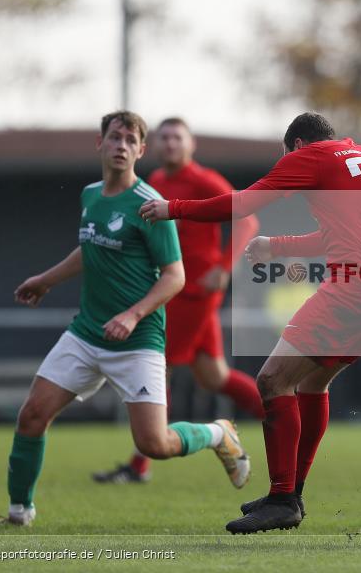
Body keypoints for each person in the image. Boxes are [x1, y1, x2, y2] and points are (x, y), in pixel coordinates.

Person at [139, 112, 361, 534]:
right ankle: (290, 493)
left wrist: (173, 208)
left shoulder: (310, 157)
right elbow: (349, 234)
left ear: (296, 146)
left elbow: (242, 203)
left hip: (354, 290)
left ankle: (283, 497)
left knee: (271, 380)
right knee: (311, 384)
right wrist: (279, 246)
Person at [7, 111, 248, 526]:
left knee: (155, 443)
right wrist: (46, 280)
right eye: (114, 137)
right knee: (32, 415)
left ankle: (216, 433)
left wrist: (134, 315)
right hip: (87, 333)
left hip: (138, 338)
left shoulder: (149, 205)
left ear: (139, 150)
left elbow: (175, 275)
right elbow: (92, 247)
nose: (120, 145)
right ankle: (19, 511)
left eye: (129, 140)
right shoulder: (91, 195)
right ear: (99, 145)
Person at [93, 117, 263, 485]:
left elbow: (248, 219)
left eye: (176, 138)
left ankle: (139, 466)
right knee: (212, 375)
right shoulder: (156, 182)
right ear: (153, 146)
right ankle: (281, 414)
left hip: (195, 291)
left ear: (191, 145)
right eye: (164, 138)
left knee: (158, 365)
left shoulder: (204, 180)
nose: (169, 144)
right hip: (175, 290)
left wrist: (224, 266)